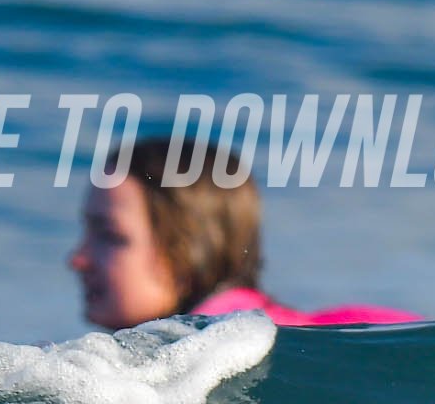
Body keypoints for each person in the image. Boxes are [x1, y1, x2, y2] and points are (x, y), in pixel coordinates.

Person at [70, 127, 409, 332]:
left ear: (188, 250)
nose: (78, 260)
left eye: (110, 236)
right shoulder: (340, 328)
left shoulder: (201, 352)